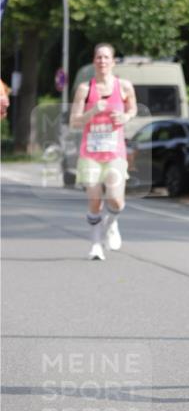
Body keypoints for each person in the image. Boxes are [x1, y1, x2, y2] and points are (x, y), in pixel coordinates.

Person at [69, 43, 137, 260]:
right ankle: (96, 243)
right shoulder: (84, 89)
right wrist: (92, 111)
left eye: (106, 57)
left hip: (115, 153)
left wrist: (125, 117)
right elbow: (74, 122)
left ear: (113, 62)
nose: (102, 61)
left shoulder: (124, 87)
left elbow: (132, 109)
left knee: (116, 200)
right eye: (99, 57)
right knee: (95, 201)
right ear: (94, 61)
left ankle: (112, 223)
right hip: (90, 154)